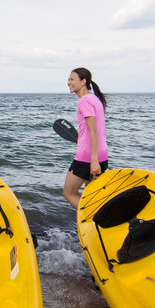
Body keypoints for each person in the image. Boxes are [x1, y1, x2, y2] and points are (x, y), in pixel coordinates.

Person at [63, 67, 108, 208]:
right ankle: (94, 225)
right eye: (68, 79)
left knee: (69, 193)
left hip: (87, 159)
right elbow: (93, 131)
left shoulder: (84, 101)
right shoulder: (94, 99)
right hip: (102, 156)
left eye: (72, 79)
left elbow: (93, 131)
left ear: (83, 81)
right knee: (91, 197)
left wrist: (93, 161)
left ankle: (91, 217)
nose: (69, 83)